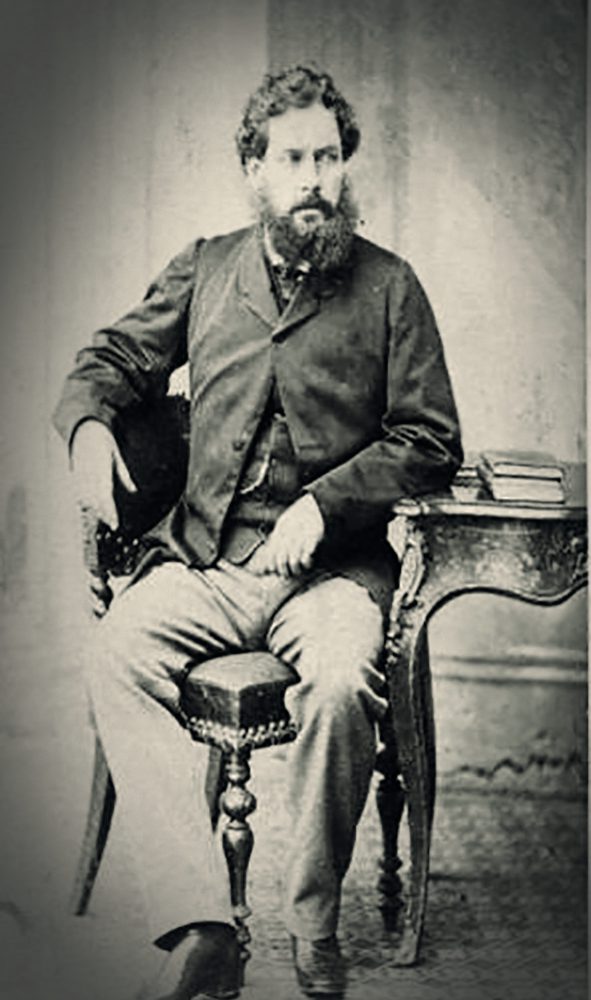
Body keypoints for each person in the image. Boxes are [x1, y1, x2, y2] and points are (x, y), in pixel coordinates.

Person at [54, 64, 462, 1000]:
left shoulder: (391, 288)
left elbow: (430, 438)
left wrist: (327, 503)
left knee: (335, 682)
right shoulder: (206, 266)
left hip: (330, 575)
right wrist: (86, 426)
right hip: (206, 562)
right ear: (255, 168)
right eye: (292, 158)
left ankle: (312, 923)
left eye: (327, 155)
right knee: (116, 653)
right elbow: (112, 357)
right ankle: (203, 926)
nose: (314, 176)